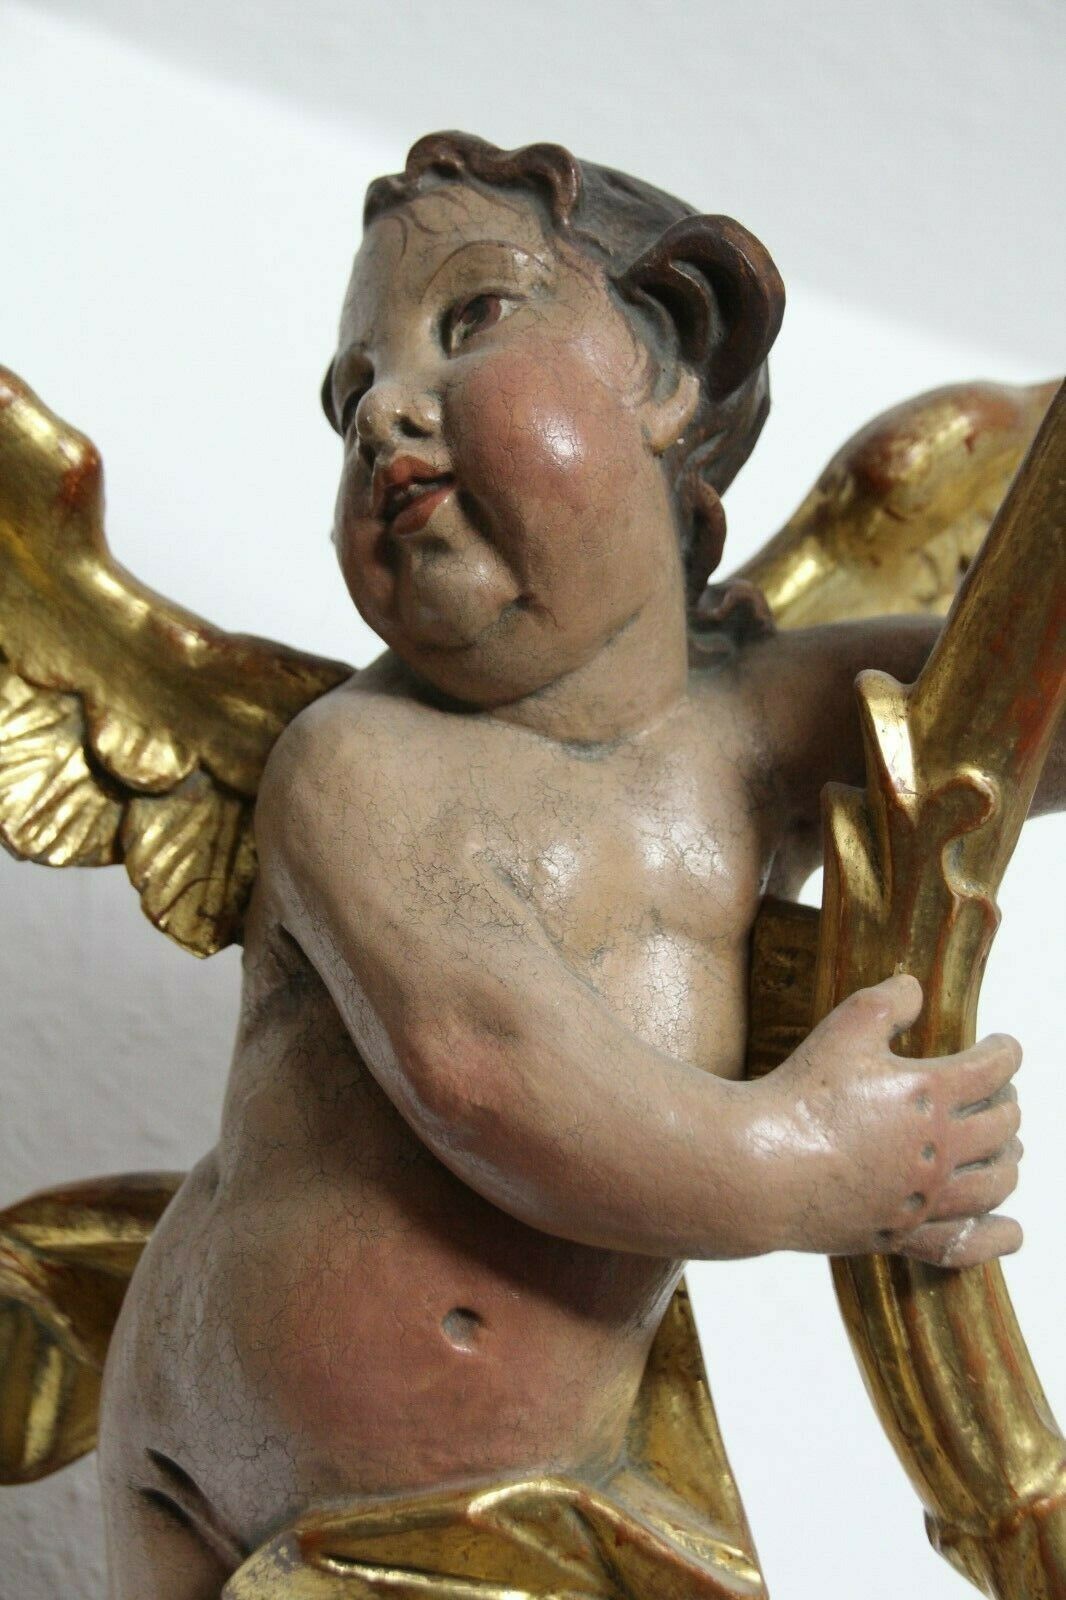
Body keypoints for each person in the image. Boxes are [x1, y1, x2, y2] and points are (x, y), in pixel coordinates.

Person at [96, 134, 1030, 1598]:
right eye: (349, 395)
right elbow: (486, 1067)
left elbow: (1003, 718)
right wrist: (806, 1164)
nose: (382, 409)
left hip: (518, 1518)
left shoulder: (760, 728)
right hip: (219, 1472)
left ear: (668, 367)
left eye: (469, 319)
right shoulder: (361, 765)